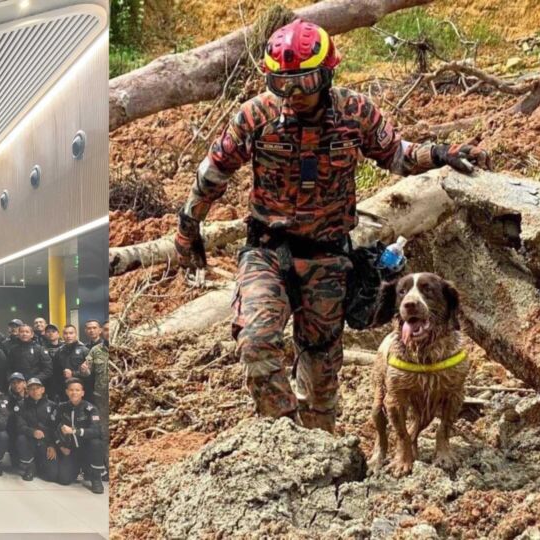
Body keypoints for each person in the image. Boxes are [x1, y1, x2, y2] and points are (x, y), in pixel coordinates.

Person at [174, 20, 491, 432]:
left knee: (321, 368)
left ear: (326, 75)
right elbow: (213, 173)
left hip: (328, 258)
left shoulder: (354, 112)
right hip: (267, 250)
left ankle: (320, 447)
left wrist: (442, 152)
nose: (293, 94)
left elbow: (397, 154)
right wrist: (188, 229)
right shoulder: (255, 116)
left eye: (304, 81)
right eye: (281, 82)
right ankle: (283, 437)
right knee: (255, 341)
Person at [55, 378, 105, 493]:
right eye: (71, 390)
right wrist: (60, 445)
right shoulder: (61, 407)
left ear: (82, 393)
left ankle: (96, 478)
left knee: (96, 443)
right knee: (63, 479)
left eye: (77, 390)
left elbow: (96, 431)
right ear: (67, 392)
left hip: (87, 449)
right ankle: (79, 470)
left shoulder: (90, 409)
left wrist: (75, 431)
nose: (74, 393)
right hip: (71, 450)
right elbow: (53, 429)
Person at [14, 377, 58, 482]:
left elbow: (55, 428)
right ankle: (30, 466)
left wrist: (52, 445)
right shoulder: (21, 405)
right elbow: (20, 426)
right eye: (31, 389)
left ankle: (40, 464)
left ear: (42, 389)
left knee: (51, 476)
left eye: (37, 388)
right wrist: (33, 432)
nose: (34, 391)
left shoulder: (52, 406)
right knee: (21, 438)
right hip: (30, 441)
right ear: (27, 391)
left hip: (46, 443)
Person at [53, 325, 90, 401]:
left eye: (71, 333)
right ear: (62, 335)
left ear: (76, 334)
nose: (68, 336)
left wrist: (73, 374)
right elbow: (55, 372)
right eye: (66, 333)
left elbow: (90, 372)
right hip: (64, 389)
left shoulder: (84, 350)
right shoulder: (59, 351)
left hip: (80, 389)